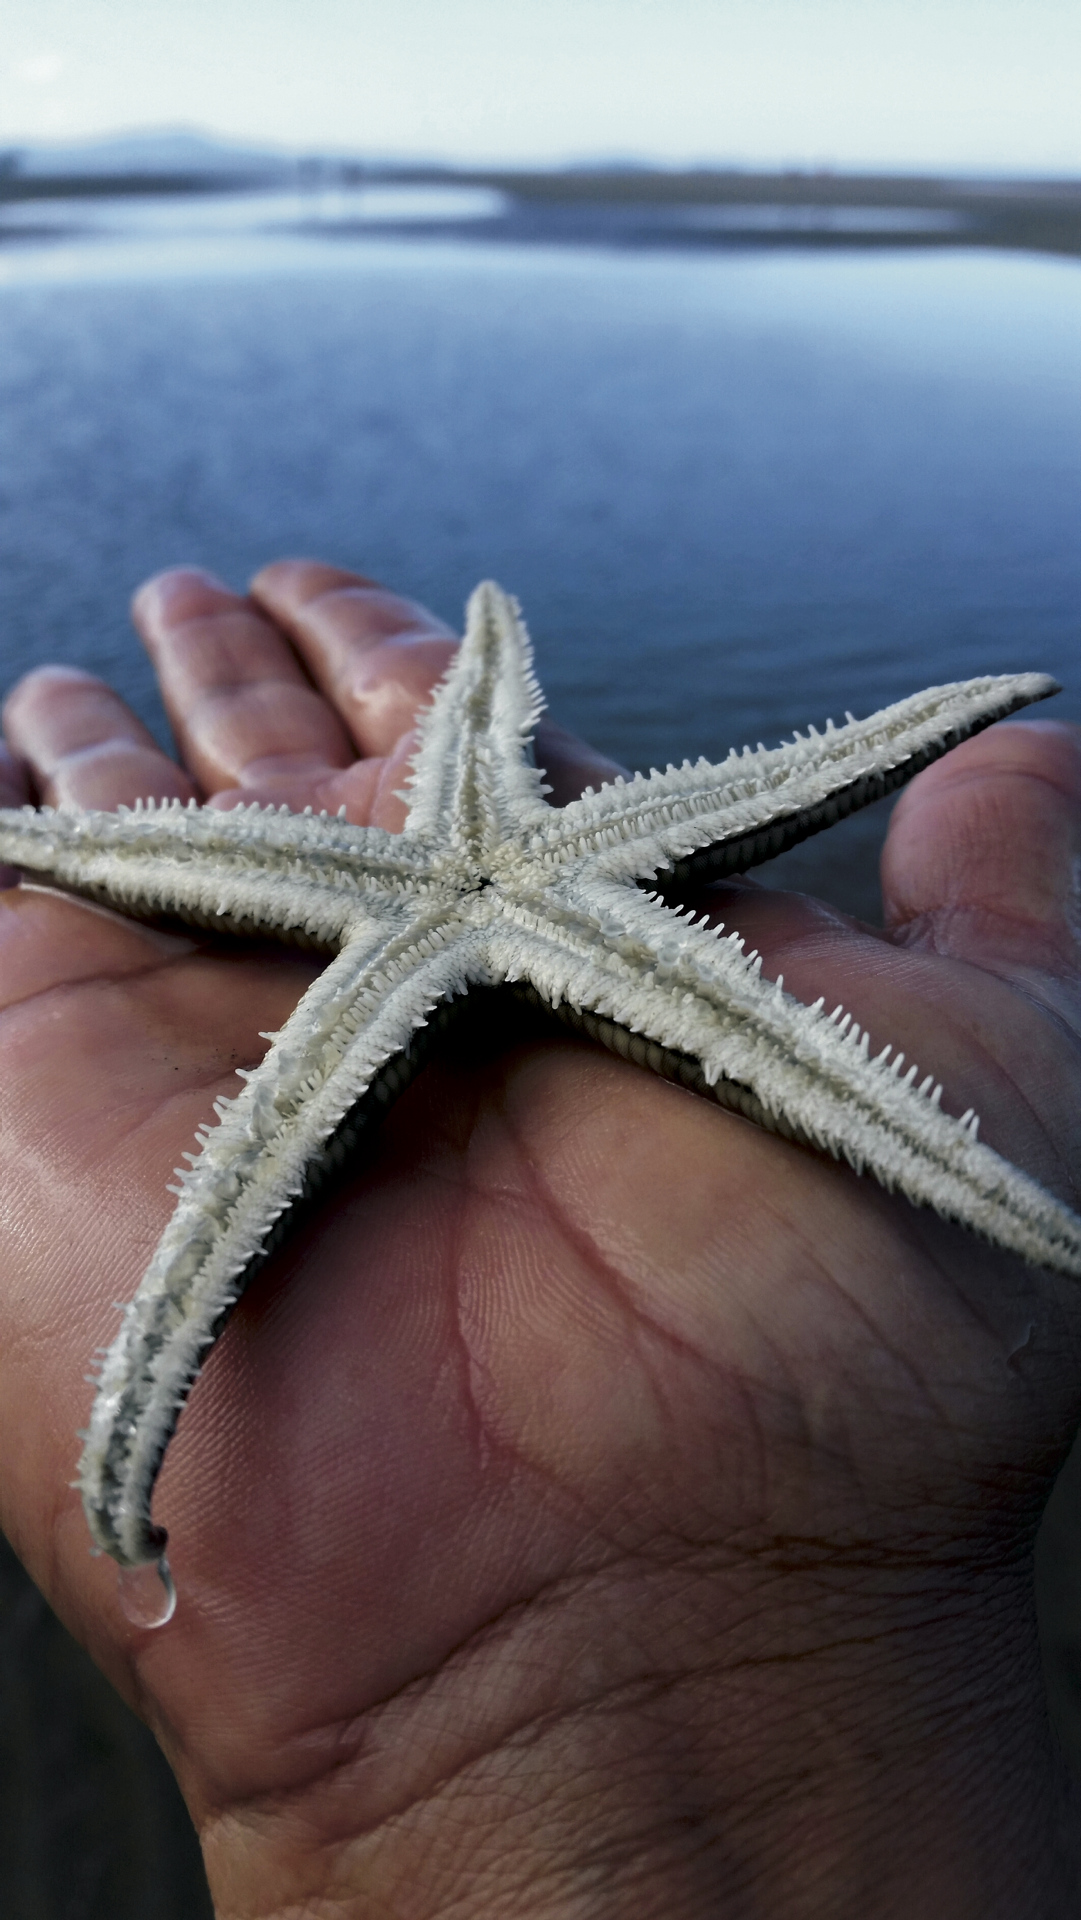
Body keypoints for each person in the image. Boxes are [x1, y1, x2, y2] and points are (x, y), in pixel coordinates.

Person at [1, 559, 1080, 1918]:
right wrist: (43, 844)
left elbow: (813, 770)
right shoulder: (399, 874)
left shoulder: (513, 859)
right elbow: (130, 855)